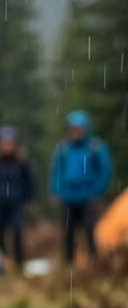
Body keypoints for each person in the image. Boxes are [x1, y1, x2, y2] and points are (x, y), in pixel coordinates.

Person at [49, 109, 113, 266]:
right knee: (68, 231)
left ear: (86, 128)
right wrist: (56, 191)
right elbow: (56, 171)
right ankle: (69, 263)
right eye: (73, 128)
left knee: (90, 230)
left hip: (88, 196)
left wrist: (97, 191)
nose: (76, 132)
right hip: (68, 196)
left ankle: (94, 261)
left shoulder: (95, 147)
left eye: (78, 128)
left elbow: (105, 170)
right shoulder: (63, 148)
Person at [0, 126, 35, 270]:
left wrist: (29, 200)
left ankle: (19, 262)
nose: (7, 146)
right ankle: (1, 262)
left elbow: (29, 182)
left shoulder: (21, 163)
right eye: (4, 143)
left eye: (10, 143)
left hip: (16, 202)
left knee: (17, 231)